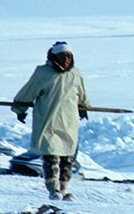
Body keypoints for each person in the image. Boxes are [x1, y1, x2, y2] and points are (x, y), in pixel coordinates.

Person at [12, 41, 91, 201]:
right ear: (54, 56)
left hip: (69, 123)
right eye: (62, 56)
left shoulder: (75, 74)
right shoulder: (43, 73)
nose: (66, 59)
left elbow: (81, 94)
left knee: (67, 158)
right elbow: (28, 91)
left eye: (69, 56)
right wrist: (20, 109)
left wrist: (83, 107)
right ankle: (53, 189)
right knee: (51, 156)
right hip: (48, 122)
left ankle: (64, 189)